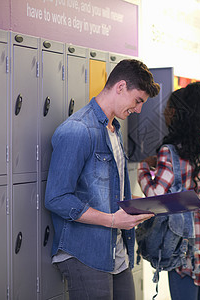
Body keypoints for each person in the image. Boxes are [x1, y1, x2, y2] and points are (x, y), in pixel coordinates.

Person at [45, 59, 160, 300]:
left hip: (116, 250)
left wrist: (132, 203)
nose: (138, 110)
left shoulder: (114, 129)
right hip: (84, 253)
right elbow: (56, 198)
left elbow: (105, 191)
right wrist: (111, 220)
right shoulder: (78, 130)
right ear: (120, 87)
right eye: (137, 100)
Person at [137, 82, 200, 300]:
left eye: (167, 109)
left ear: (175, 114)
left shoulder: (171, 151)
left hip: (184, 240)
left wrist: (144, 168)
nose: (164, 113)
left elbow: (155, 196)